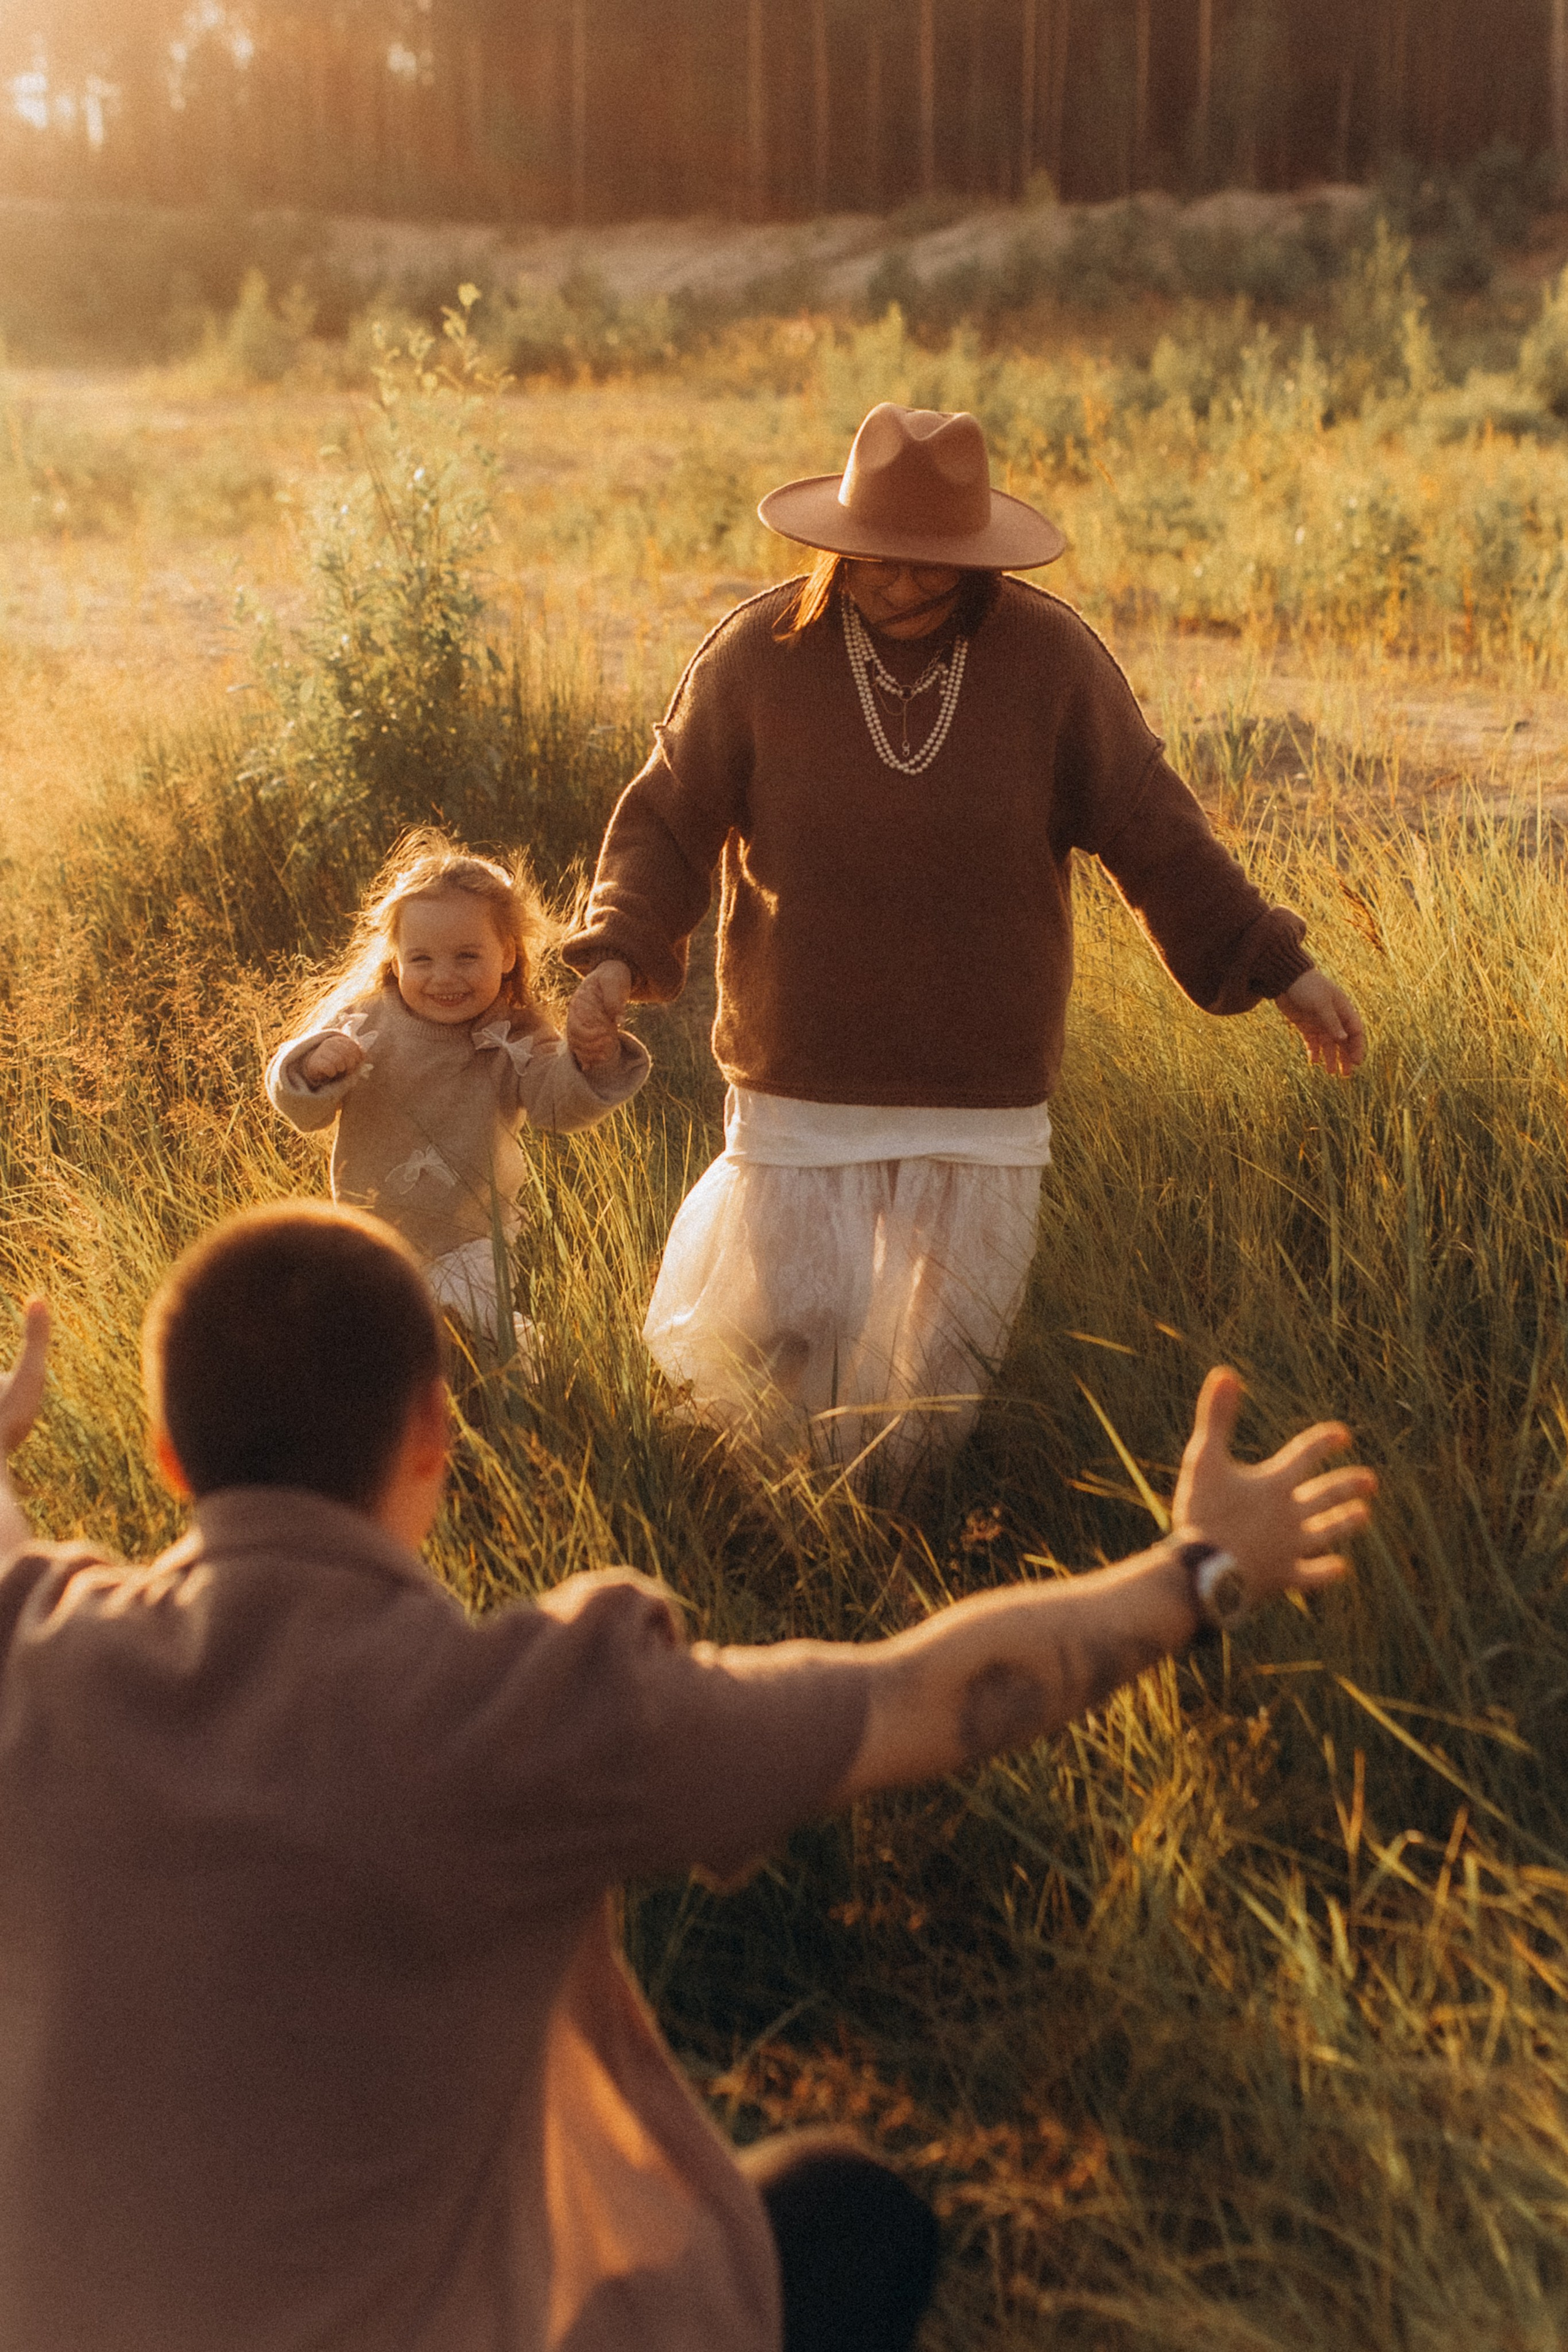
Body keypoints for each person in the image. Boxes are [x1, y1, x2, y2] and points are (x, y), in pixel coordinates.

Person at [0, 1201, 1374, 2352]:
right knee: (845, 2222)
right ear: (435, 1431)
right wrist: (1198, 1575)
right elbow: (914, 1696)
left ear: (169, 1454)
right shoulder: (528, 1720)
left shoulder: (35, 1656)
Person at [564, 402, 1366, 1483]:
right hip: (805, 1074)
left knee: (928, 1383)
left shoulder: (1051, 661)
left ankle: (897, 1547)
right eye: (874, 561)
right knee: (775, 1357)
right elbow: (668, 817)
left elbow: (1153, 830)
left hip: (979, 1085)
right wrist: (616, 948)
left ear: (977, 561)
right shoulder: (759, 655)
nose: (897, 584)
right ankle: (763, 1547)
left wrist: (1282, 968)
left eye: (929, 567)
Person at [268, 830, 649, 1346]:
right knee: (375, 1353)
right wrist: (314, 1069)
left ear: (509, 955)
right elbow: (303, 1110)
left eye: (467, 957)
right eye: (421, 959)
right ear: (396, 958)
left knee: (474, 1344)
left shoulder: (513, 1036)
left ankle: (505, 1400)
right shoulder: (364, 1023)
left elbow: (557, 1106)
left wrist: (591, 1057)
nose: (444, 977)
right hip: (368, 1236)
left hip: (469, 1241)